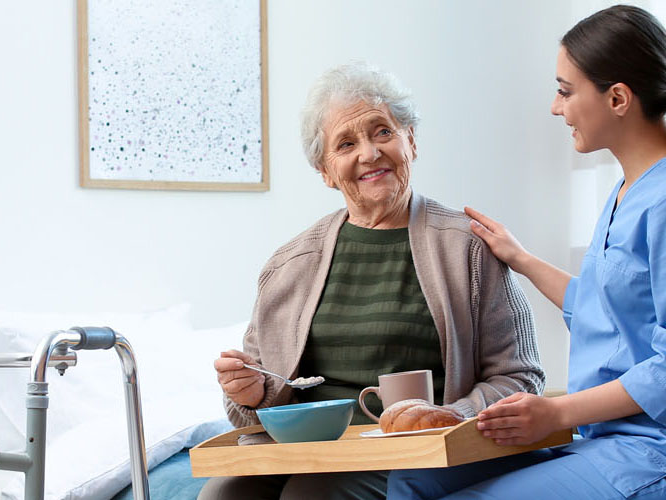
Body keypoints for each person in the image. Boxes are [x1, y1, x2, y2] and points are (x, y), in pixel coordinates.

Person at [385, 5, 666, 499]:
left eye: (565, 90)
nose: (555, 108)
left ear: (618, 98)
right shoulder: (630, 190)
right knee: (414, 475)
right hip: (607, 441)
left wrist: (555, 412)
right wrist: (520, 258)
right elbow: (603, 311)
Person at [199, 62, 545, 500]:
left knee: (312, 497)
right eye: (346, 143)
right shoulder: (288, 265)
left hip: (418, 454)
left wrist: (451, 416)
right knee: (223, 495)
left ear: (411, 140)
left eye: (382, 131)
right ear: (326, 171)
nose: (369, 153)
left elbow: (520, 376)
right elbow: (250, 410)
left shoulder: (467, 248)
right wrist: (251, 393)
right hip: (307, 452)